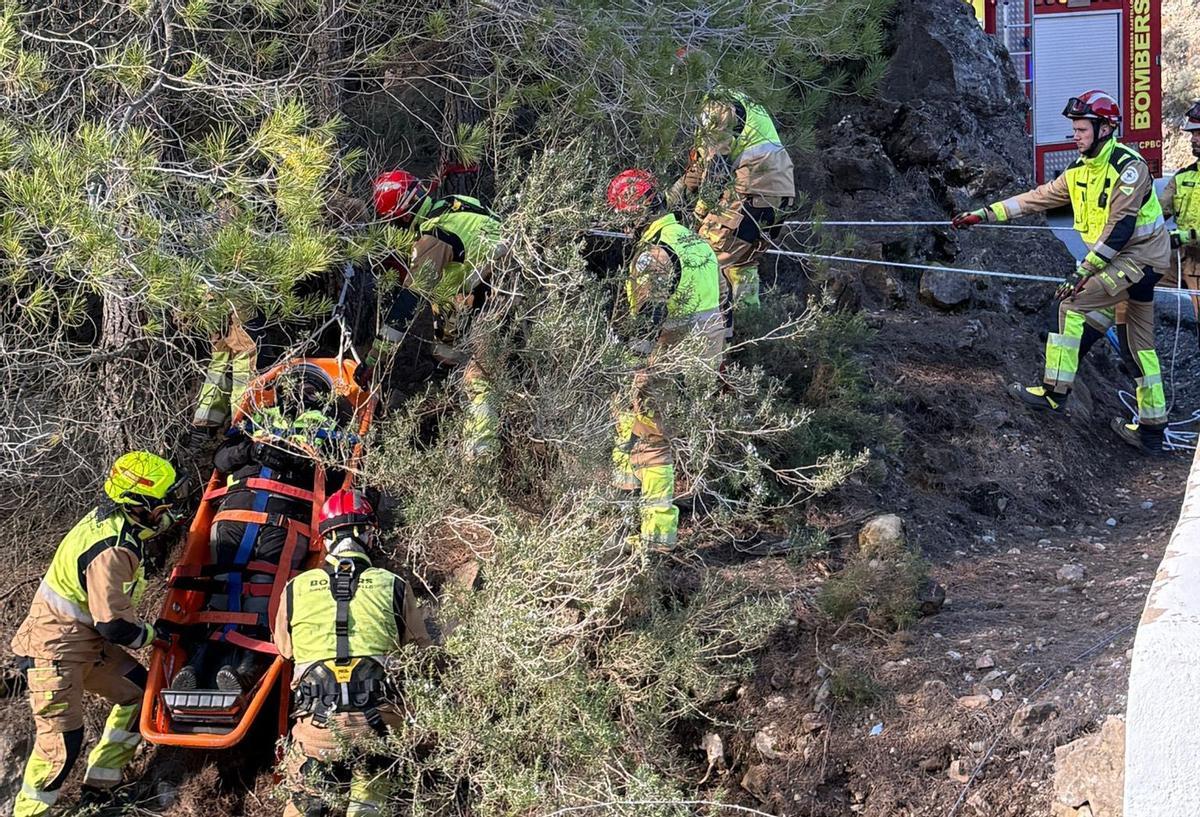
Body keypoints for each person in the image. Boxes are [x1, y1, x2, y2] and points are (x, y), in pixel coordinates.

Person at [953, 90, 1172, 454]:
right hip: (1120, 263)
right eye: (1074, 128)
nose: (1075, 135)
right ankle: (1151, 431)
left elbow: (1120, 230)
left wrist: (1082, 272)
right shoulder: (1079, 171)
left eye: (1082, 128)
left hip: (1142, 261)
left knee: (1073, 304)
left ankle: (1054, 393)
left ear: (1105, 129)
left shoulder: (1129, 168)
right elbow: (1034, 198)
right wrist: (984, 214)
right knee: (1138, 349)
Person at [10, 452, 181, 816]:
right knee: (61, 744)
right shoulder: (114, 547)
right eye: (163, 500)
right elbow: (115, 625)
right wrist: (156, 634)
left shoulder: (110, 521)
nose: (169, 506)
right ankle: (29, 812)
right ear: (140, 503)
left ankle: (100, 786)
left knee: (143, 695)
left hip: (83, 644)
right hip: (56, 651)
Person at [171, 364, 344, 693]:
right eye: (296, 390)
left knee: (256, 591)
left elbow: (336, 476)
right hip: (248, 517)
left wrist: (296, 460)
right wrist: (250, 450)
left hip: (274, 521)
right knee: (233, 589)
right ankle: (200, 664)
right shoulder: (256, 422)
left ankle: (240, 670)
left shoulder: (328, 429)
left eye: (305, 392)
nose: (300, 397)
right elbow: (222, 461)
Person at [275, 489, 433, 817]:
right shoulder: (394, 584)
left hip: (318, 727)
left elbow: (284, 649)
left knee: (306, 802)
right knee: (370, 797)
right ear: (369, 535)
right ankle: (368, 799)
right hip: (379, 725)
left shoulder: (295, 589)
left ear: (326, 538)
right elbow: (421, 650)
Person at [606, 169, 724, 549]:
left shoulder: (653, 255)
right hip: (707, 346)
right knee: (633, 413)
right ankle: (626, 488)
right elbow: (724, 299)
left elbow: (648, 322)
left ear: (634, 212)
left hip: (673, 348)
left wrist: (637, 364)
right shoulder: (693, 240)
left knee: (653, 438)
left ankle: (656, 532)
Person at [359, 169, 508, 459]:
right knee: (447, 351)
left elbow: (409, 301)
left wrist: (377, 357)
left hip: (498, 299)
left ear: (400, 217)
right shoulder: (456, 203)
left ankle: (482, 453)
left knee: (477, 378)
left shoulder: (434, 237)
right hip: (505, 287)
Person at [668, 85, 795, 333]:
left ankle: (708, 339)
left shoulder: (714, 105)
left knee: (701, 260)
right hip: (776, 194)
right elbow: (708, 164)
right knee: (742, 266)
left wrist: (699, 213)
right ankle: (748, 334)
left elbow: (717, 169)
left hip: (750, 191)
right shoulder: (735, 99)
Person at [1161, 100, 1200, 346]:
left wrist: (1183, 236)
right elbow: (1157, 212)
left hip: (1196, 260)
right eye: (1192, 133)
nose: (1192, 139)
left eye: (1198, 133)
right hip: (1180, 259)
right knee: (1132, 281)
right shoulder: (1183, 176)